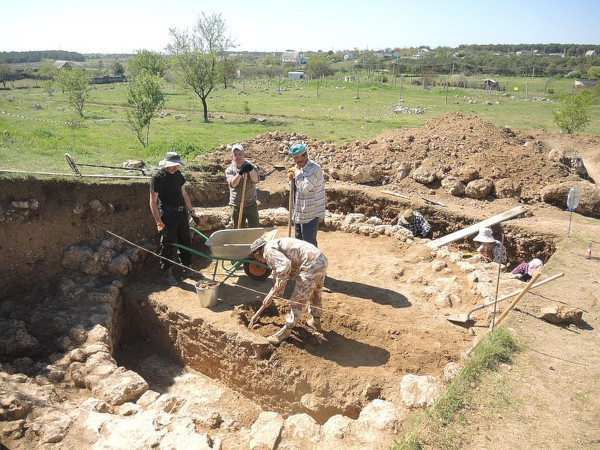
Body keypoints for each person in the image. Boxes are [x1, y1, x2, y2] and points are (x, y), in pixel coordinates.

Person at [249, 236, 328, 346]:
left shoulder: (268, 251)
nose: (257, 260)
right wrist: (273, 294)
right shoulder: (273, 245)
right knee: (315, 292)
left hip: (310, 264)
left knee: (298, 298)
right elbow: (279, 275)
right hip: (320, 259)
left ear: (258, 252)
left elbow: (284, 268)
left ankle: (285, 331)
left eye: (254, 256)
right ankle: (316, 321)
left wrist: (274, 292)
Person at [149, 151, 200, 286]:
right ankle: (166, 272)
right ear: (166, 164)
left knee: (185, 240)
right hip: (167, 214)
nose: (175, 168)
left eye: (177, 165)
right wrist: (158, 222)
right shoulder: (158, 177)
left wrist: (192, 212)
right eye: (173, 165)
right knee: (167, 243)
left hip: (181, 213)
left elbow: (184, 194)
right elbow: (153, 202)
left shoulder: (178, 174)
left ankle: (187, 267)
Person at [287, 143, 326, 248]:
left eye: (299, 160)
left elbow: (304, 188)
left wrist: (297, 174)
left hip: (310, 213)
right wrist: (290, 178)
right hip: (298, 212)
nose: (297, 163)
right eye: (295, 160)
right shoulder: (297, 168)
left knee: (309, 245)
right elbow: (293, 186)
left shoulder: (315, 169)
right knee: (299, 245)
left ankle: (314, 264)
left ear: (306, 156)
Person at [225, 143, 260, 228]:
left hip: (250, 203)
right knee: (238, 229)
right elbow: (233, 184)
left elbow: (255, 180)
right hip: (236, 204)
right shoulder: (230, 170)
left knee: (254, 229)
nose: (238, 157)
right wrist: (240, 173)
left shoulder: (251, 166)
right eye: (235, 155)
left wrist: (251, 169)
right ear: (232, 156)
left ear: (243, 154)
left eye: (240, 154)